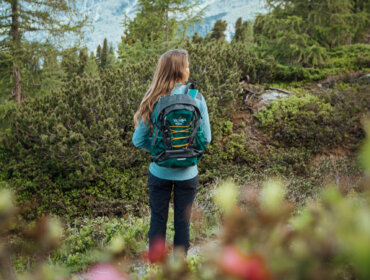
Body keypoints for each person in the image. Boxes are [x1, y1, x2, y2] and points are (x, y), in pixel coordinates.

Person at [132, 49, 211, 257]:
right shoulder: (196, 98)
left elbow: (138, 140)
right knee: (182, 223)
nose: (189, 69)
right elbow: (207, 139)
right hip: (188, 173)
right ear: (180, 71)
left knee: (158, 220)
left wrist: (161, 150)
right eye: (186, 65)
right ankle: (179, 270)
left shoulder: (153, 98)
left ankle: (155, 270)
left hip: (159, 172)